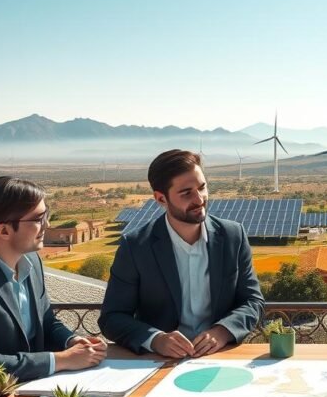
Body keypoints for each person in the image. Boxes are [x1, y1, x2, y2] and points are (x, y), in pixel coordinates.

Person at [0, 176, 107, 382]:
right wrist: (61, 360)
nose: (47, 224)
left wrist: (71, 341)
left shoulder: (31, 260)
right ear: (3, 230)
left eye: (46, 215)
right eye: (38, 219)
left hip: (42, 386)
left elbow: (45, 321)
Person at [100, 149, 264, 358]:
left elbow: (253, 301)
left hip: (221, 356)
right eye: (186, 193)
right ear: (161, 199)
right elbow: (112, 318)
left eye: (202, 187)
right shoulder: (136, 246)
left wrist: (223, 331)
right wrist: (155, 339)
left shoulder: (233, 236)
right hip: (159, 361)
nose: (199, 199)